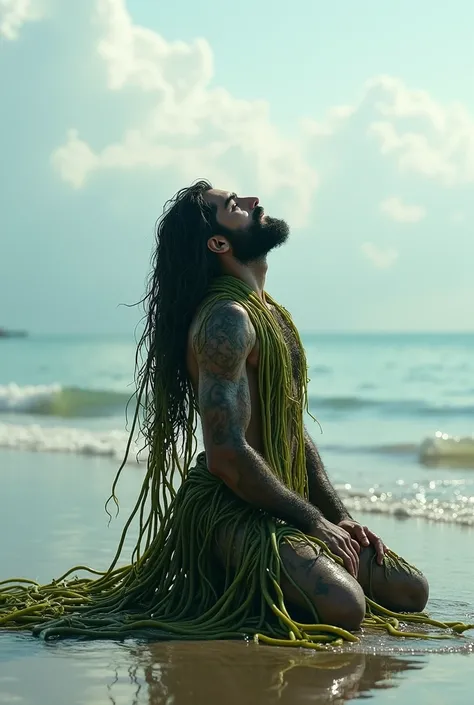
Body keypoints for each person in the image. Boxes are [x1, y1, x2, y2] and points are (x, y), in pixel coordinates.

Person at [0, 180, 436, 644]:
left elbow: (290, 431)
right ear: (219, 243)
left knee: (410, 590)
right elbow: (226, 453)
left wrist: (339, 519)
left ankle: (284, 570)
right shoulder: (226, 319)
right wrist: (313, 523)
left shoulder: (272, 316)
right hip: (231, 510)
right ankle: (229, 579)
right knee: (344, 607)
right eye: (234, 206)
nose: (253, 202)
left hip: (283, 504)